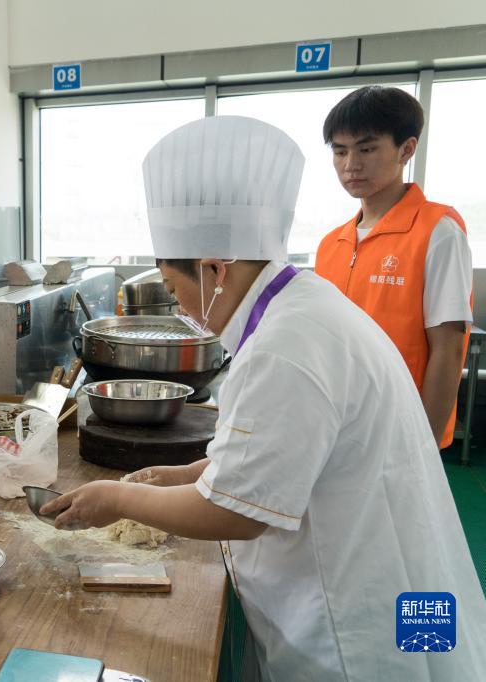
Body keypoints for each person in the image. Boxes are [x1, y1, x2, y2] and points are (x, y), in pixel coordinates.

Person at [41, 116, 486, 680]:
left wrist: (118, 498)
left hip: (351, 625)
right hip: (390, 563)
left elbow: (234, 512)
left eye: (175, 290)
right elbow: (289, 452)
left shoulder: (283, 348)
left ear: (214, 270)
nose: (181, 310)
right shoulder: (303, 305)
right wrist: (188, 474)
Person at [314, 86, 472, 448]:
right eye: (340, 151)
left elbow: (448, 348)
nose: (351, 165)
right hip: (336, 425)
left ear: (406, 149)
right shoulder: (331, 244)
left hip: (400, 432)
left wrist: (423, 445)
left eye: (367, 149)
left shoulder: (437, 231)